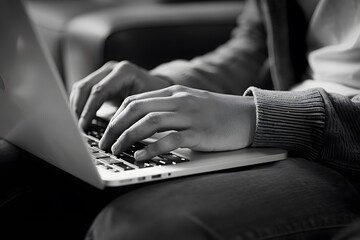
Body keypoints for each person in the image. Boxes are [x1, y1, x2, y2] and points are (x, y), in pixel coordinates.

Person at [69, 0, 360, 239]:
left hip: (345, 159)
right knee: (56, 176)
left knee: (135, 227)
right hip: (289, 120)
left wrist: (256, 116)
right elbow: (256, 43)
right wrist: (165, 83)